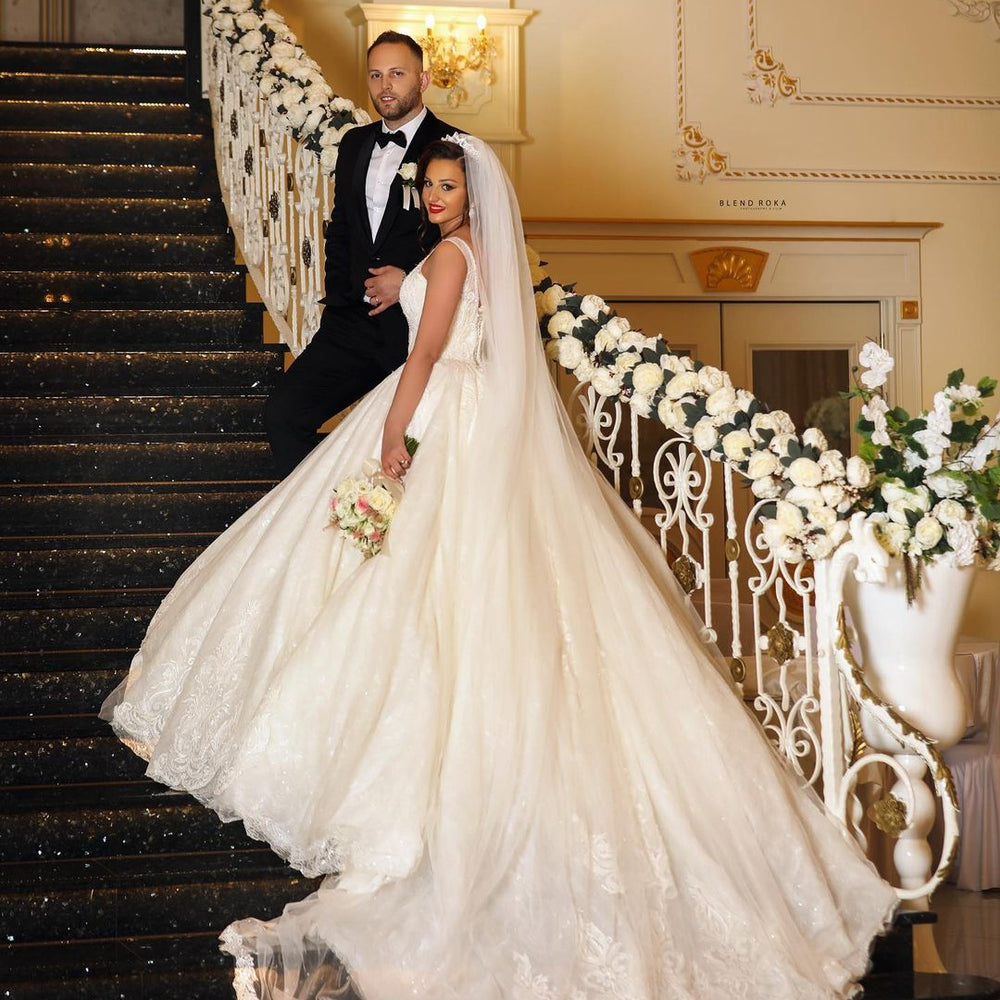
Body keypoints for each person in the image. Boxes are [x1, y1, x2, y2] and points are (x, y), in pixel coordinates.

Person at [103, 136, 897, 1000]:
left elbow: (427, 351)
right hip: (477, 418)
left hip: (436, 412)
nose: (436, 196)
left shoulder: (450, 255)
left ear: (470, 193)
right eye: (429, 185)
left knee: (409, 587)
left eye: (448, 184)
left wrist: (389, 436)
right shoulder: (478, 253)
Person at [264, 30, 458, 479]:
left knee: (411, 450)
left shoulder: (454, 147)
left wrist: (409, 281)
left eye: (397, 73)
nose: (385, 85)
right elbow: (342, 230)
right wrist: (339, 303)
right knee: (283, 415)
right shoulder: (355, 143)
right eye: (375, 75)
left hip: (417, 332)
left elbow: (465, 239)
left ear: (423, 79)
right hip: (350, 326)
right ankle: (326, 526)